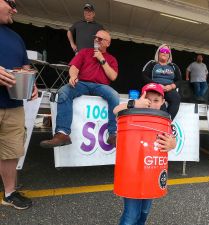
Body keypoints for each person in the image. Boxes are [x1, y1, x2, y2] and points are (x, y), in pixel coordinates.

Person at [40, 30, 119, 148]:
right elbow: (74, 67)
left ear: (108, 43)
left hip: (101, 86)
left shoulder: (111, 59)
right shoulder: (84, 52)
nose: (96, 40)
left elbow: (113, 76)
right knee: (64, 91)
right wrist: (73, 76)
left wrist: (102, 59)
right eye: (95, 37)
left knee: (114, 95)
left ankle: (113, 134)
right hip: (82, 83)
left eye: (100, 39)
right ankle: (62, 134)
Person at [113, 83, 176, 225]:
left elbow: (172, 138)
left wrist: (172, 144)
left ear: (163, 102)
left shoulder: (164, 120)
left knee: (144, 213)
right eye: (148, 99)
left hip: (151, 175)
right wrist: (136, 103)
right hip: (132, 174)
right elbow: (115, 110)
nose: (152, 104)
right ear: (142, 98)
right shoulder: (133, 113)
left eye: (156, 100)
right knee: (131, 215)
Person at [0, 0, 38, 209]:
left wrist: (31, 83)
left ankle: (9, 193)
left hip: (13, 106)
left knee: (11, 152)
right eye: (11, 3)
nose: (15, 10)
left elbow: (25, 67)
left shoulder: (16, 37)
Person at [142, 44, 182, 120]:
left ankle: (168, 121)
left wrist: (171, 86)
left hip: (169, 88)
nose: (164, 53)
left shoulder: (173, 66)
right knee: (159, 102)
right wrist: (156, 85)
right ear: (158, 52)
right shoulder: (152, 63)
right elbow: (144, 76)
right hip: (155, 88)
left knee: (176, 98)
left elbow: (180, 81)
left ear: (169, 55)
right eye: (162, 50)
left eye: (167, 51)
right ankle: (163, 121)